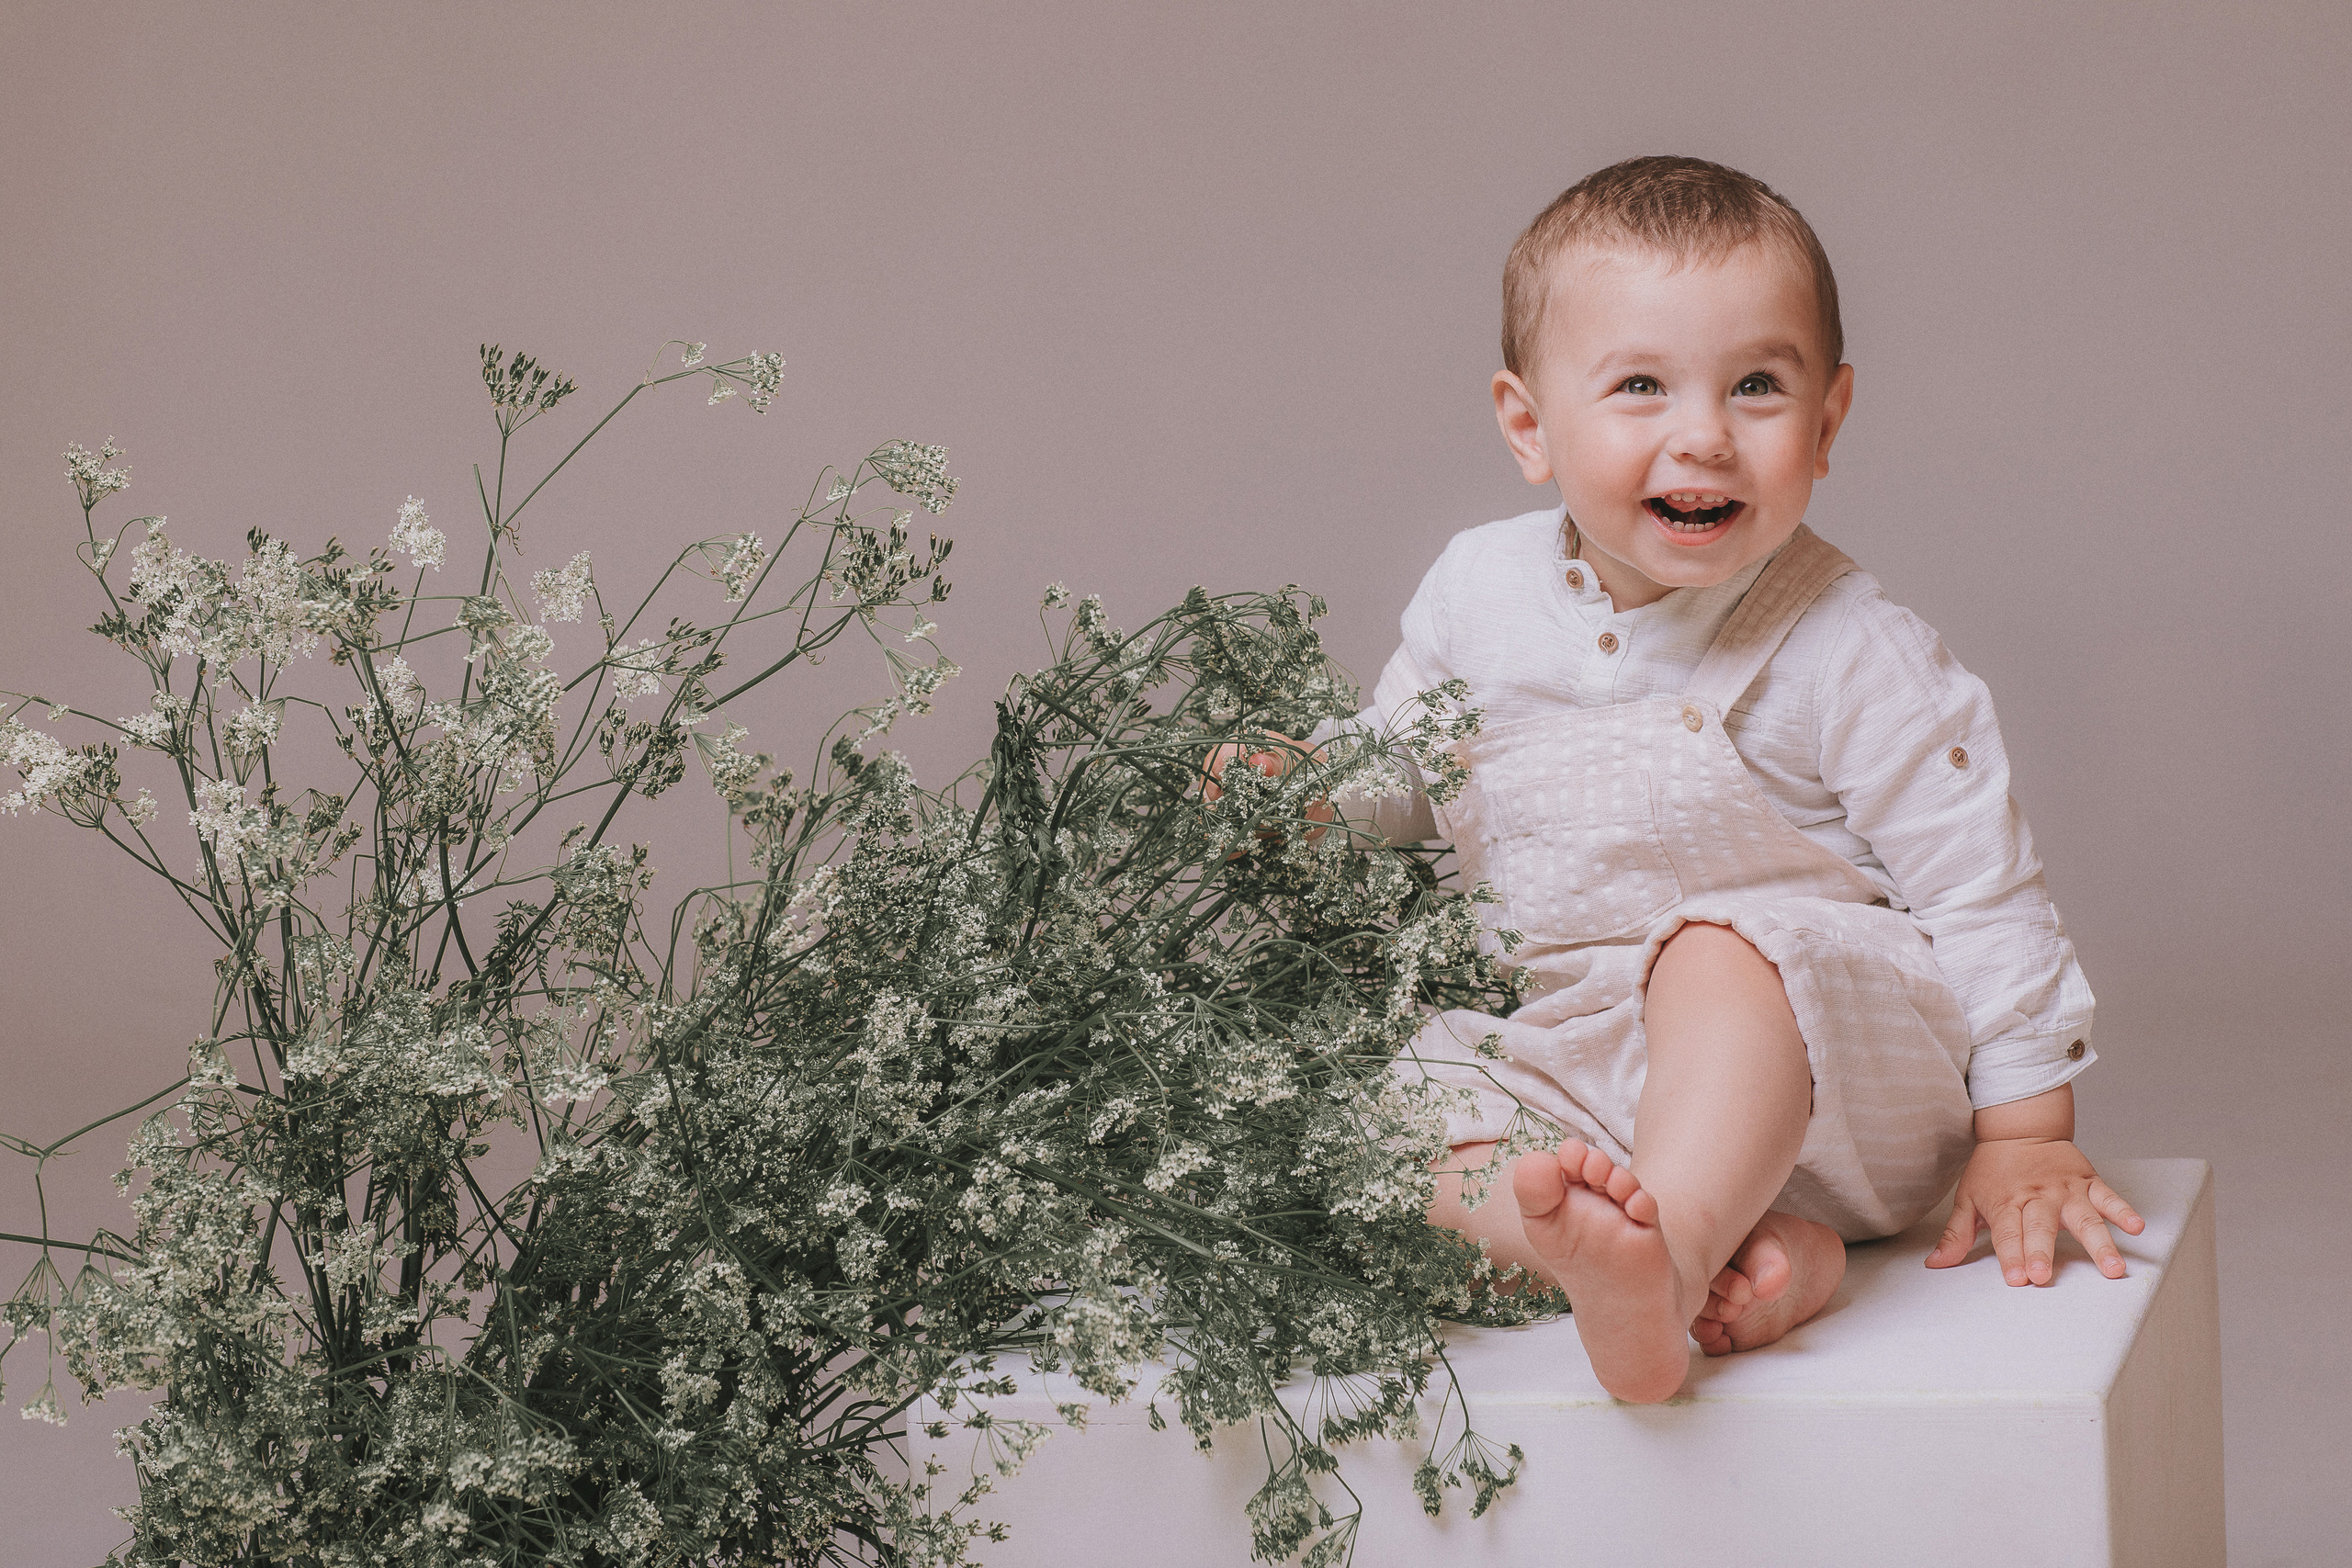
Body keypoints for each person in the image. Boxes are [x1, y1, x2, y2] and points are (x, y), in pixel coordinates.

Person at [1216, 155, 2143, 1404]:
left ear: (1827, 422)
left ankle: (1674, 1247)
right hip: (1582, 1069)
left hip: (1829, 1073)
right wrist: (1310, 790)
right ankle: (1710, 1256)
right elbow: (1409, 772)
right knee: (1364, 1134)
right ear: (1529, 426)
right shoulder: (1477, 597)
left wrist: (2027, 1139)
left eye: (1757, 386)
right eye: (1641, 386)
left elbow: (1983, 894)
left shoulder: (1848, 647)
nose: (1703, 432)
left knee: (1715, 947)